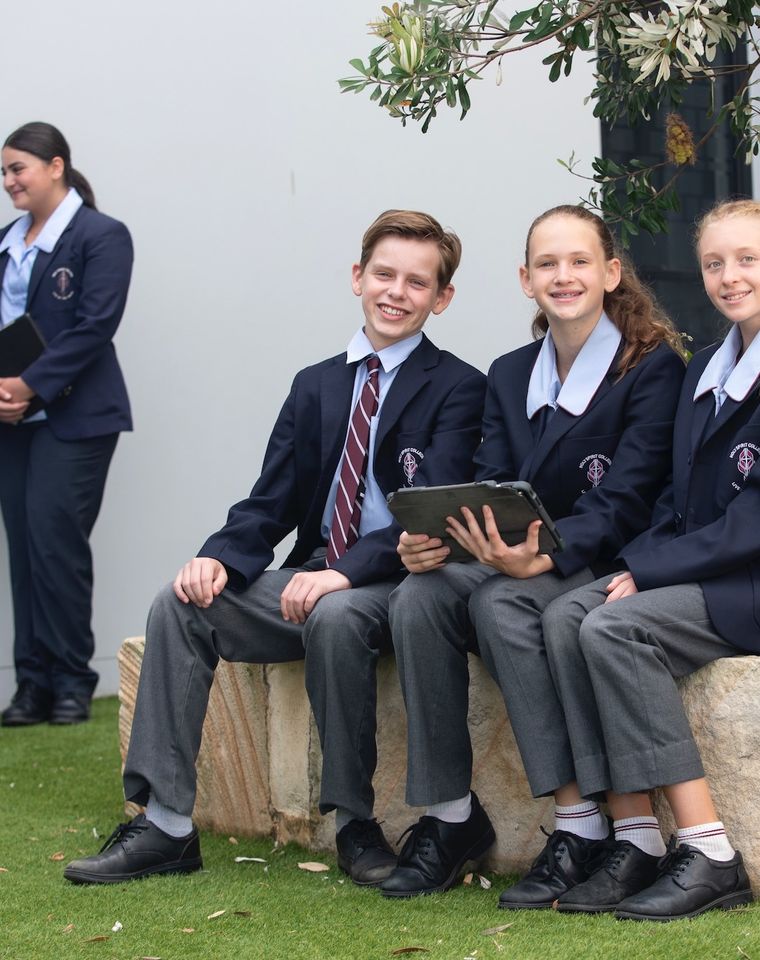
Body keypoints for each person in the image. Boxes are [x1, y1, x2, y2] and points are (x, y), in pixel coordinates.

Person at [63, 209, 486, 886]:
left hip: (395, 582)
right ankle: (166, 825)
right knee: (180, 605)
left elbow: (428, 512)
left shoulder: (461, 387)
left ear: (442, 297)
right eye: (384, 274)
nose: (396, 292)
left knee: (337, 613)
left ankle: (354, 822)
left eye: (417, 281)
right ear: (357, 277)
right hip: (314, 572)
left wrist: (343, 574)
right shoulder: (314, 384)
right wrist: (219, 559)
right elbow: (270, 502)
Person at [380, 204, 686, 899]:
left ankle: (578, 822)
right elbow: (489, 477)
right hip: (512, 555)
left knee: (506, 604)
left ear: (611, 273)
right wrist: (439, 538)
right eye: (547, 263)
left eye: (580, 261)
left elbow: (629, 498)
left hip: (591, 559)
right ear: (525, 280)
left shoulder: (652, 369)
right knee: (421, 595)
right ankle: (449, 812)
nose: (564, 275)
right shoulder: (511, 370)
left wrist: (539, 559)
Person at [529, 198, 760, 921]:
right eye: (715, 263)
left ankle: (709, 849)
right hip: (710, 572)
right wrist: (633, 564)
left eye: (747, 259)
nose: (729, 277)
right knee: (574, 611)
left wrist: (654, 573)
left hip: (749, 581)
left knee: (615, 627)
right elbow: (675, 499)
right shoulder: (706, 373)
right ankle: (633, 837)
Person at [0, 122, 133, 727]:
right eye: (4, 173)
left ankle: (72, 680)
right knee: (25, 548)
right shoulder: (7, 240)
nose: (9, 182)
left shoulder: (101, 236)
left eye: (17, 169)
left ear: (55, 166)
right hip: (11, 420)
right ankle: (31, 686)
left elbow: (94, 325)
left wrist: (29, 385)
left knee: (55, 541)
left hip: (75, 418)